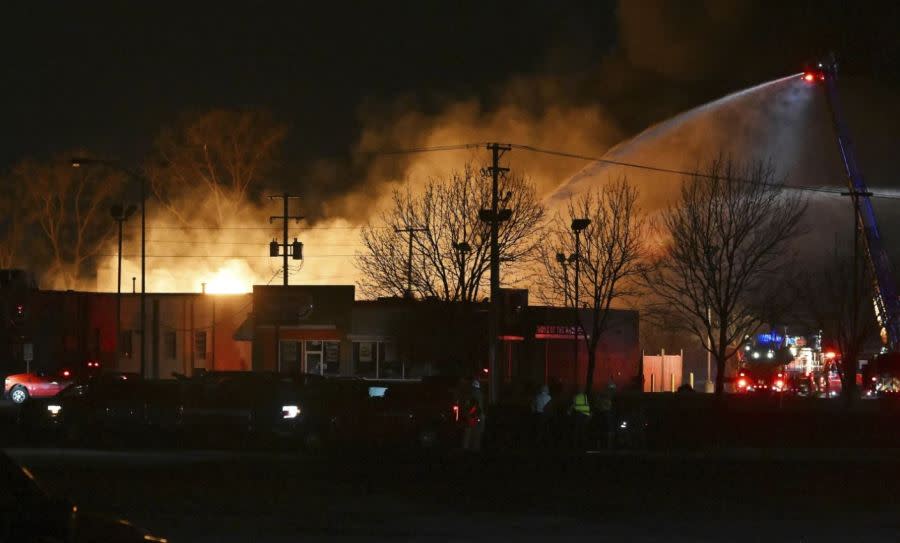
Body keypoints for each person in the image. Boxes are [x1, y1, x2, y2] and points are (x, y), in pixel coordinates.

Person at [462, 377, 485, 452]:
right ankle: (472, 448)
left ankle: (470, 448)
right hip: (475, 416)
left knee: (472, 432)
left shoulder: (473, 394)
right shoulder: (476, 394)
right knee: (474, 432)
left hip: (474, 416)